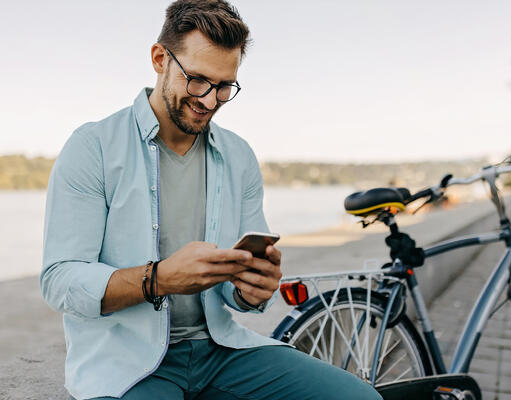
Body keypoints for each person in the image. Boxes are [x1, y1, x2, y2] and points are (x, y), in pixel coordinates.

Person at [39, 1, 382, 399]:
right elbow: (59, 280)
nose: (209, 101)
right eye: (198, 80)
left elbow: (235, 291)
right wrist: (160, 278)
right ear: (159, 59)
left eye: (224, 87)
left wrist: (251, 288)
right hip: (127, 365)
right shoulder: (93, 146)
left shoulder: (239, 156)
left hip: (223, 351)